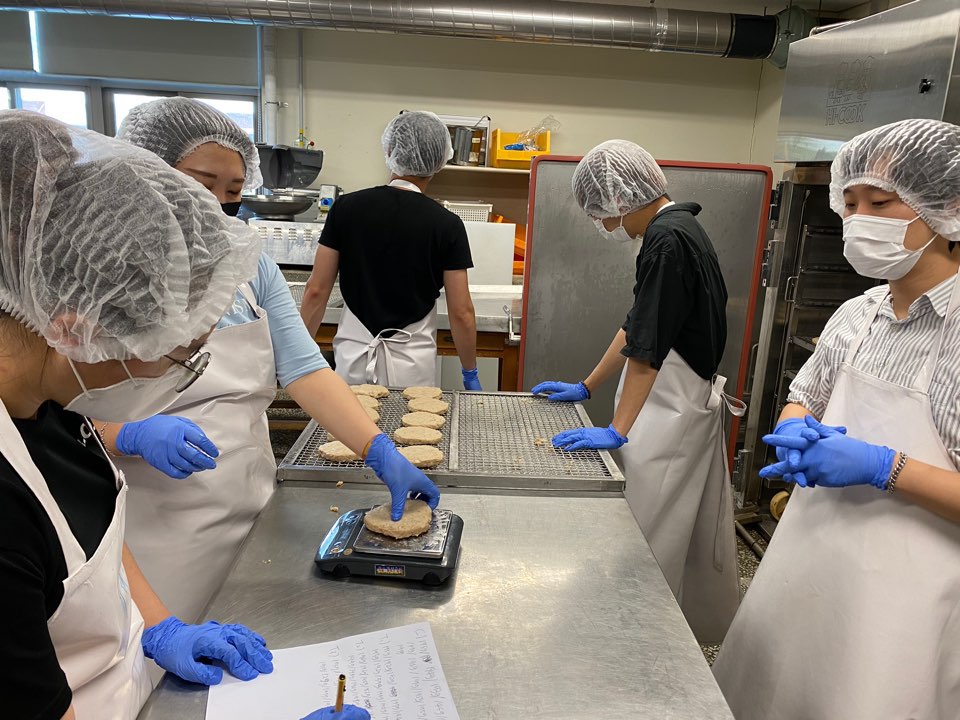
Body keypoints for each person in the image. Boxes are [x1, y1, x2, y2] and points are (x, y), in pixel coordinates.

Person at [0, 110, 365, 720]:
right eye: (176, 354)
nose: (180, 374)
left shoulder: (51, 410)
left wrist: (159, 625)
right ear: (76, 330)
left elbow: (88, 540)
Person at [95, 97, 440, 625]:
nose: (215, 204)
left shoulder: (249, 264)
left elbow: (304, 369)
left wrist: (376, 447)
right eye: (200, 183)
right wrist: (126, 434)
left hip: (251, 500)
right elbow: (50, 410)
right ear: (146, 172)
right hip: (149, 518)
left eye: (233, 192)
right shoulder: (97, 268)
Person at [713, 118, 960, 719]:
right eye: (849, 204)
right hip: (811, 560)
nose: (859, 219)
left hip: (906, 602)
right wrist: (794, 425)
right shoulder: (857, 312)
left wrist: (883, 466)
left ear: (948, 208)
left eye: (881, 202)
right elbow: (806, 394)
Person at [531, 140, 743, 644]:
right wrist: (587, 385)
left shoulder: (667, 241)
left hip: (672, 411)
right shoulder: (677, 229)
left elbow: (646, 353)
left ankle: (640, 639)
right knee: (650, 525)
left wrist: (617, 430)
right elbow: (636, 325)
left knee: (649, 537)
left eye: (601, 213)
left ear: (621, 197)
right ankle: (634, 628)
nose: (603, 225)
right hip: (666, 401)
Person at [300, 110, 481, 390]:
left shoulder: (346, 209)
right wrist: (470, 372)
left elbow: (316, 290)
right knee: (415, 421)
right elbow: (462, 312)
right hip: (412, 366)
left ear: (389, 150)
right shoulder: (447, 224)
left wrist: (298, 357)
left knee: (350, 420)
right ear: (439, 160)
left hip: (354, 357)